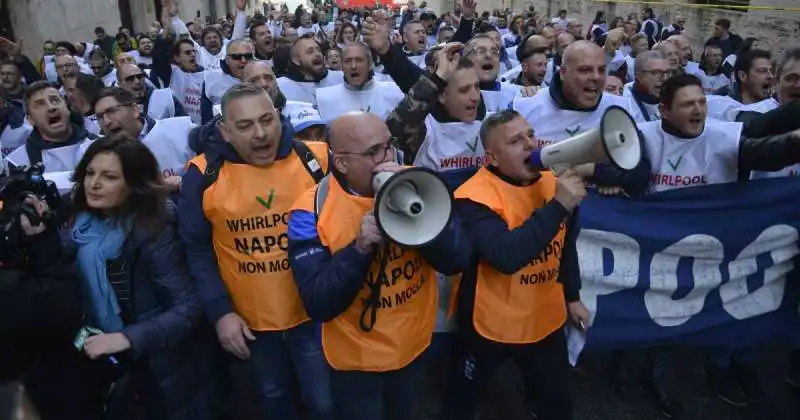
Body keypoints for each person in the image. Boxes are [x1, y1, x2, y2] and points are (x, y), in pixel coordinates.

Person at [286, 111, 471, 420]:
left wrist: (424, 222)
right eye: (374, 152)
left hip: (413, 344)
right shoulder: (309, 212)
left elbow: (457, 259)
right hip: (357, 362)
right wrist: (359, 249)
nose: (388, 158)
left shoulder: (418, 181)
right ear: (342, 163)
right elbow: (318, 301)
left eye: (389, 145)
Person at [179, 83, 333, 419]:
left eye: (267, 120)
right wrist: (221, 312)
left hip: (315, 313)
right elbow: (197, 251)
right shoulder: (203, 174)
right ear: (225, 131)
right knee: (273, 396)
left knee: (323, 401)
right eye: (245, 126)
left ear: (279, 118)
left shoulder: (314, 158)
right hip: (253, 322)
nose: (261, 134)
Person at [71, 136, 227, 419]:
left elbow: (189, 309)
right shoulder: (81, 227)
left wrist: (127, 338)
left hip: (172, 369)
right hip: (126, 368)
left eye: (109, 177)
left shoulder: (154, 227)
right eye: (90, 173)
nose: (94, 183)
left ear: (134, 184)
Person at [446, 110, 587, 420]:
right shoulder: (472, 198)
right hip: (489, 322)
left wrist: (572, 296)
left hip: (544, 315)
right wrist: (559, 206)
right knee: (463, 399)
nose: (530, 145)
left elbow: (566, 243)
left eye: (530, 135)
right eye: (515, 141)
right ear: (492, 158)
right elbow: (505, 256)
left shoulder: (553, 182)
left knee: (557, 403)